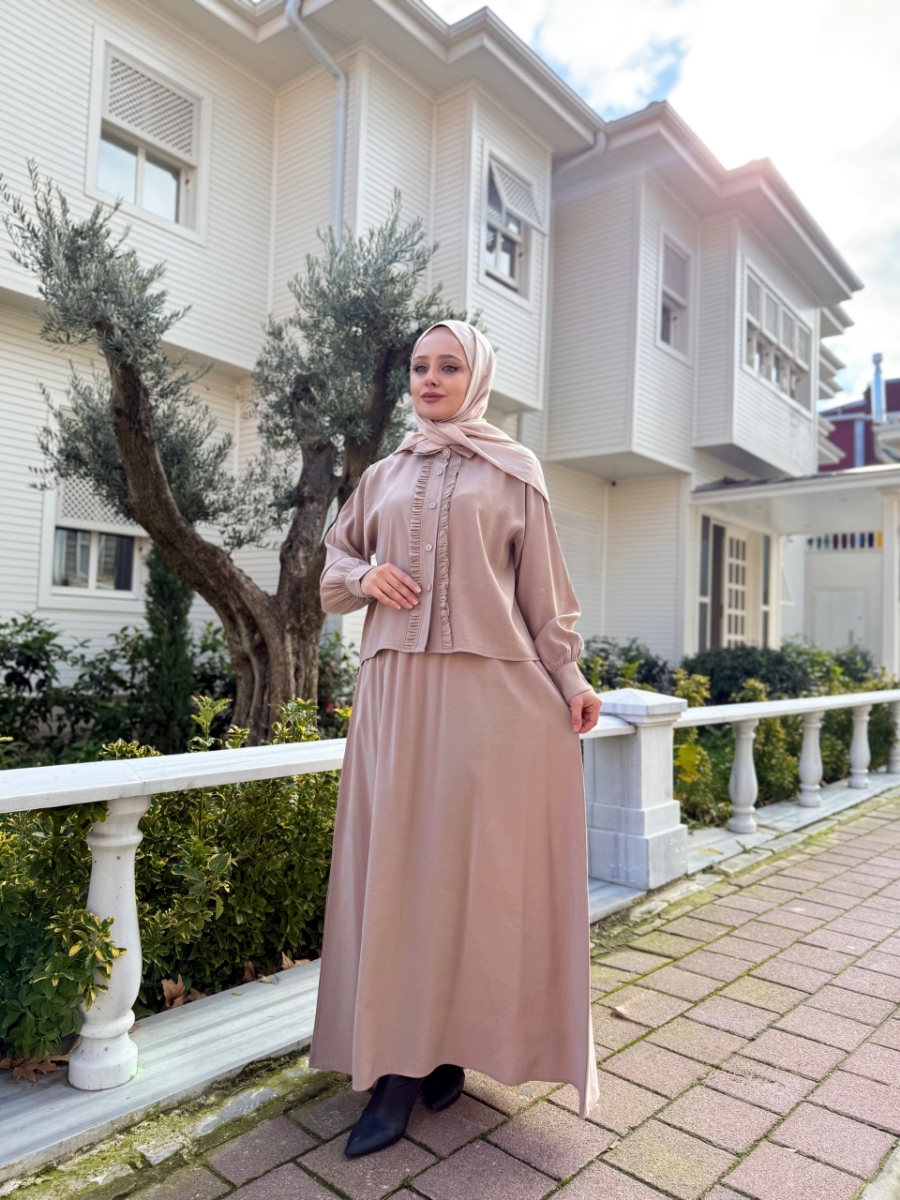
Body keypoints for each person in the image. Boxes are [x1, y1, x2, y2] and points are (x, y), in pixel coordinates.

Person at [308, 319, 602, 1157]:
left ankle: (443, 1052)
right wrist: (366, 574)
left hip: (491, 702)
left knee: (473, 879)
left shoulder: (514, 470)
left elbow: (544, 596)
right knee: (402, 874)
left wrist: (571, 680)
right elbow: (332, 575)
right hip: (396, 696)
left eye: (449, 366)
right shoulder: (382, 476)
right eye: (419, 367)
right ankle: (401, 1064)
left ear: (478, 379)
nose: (430, 379)